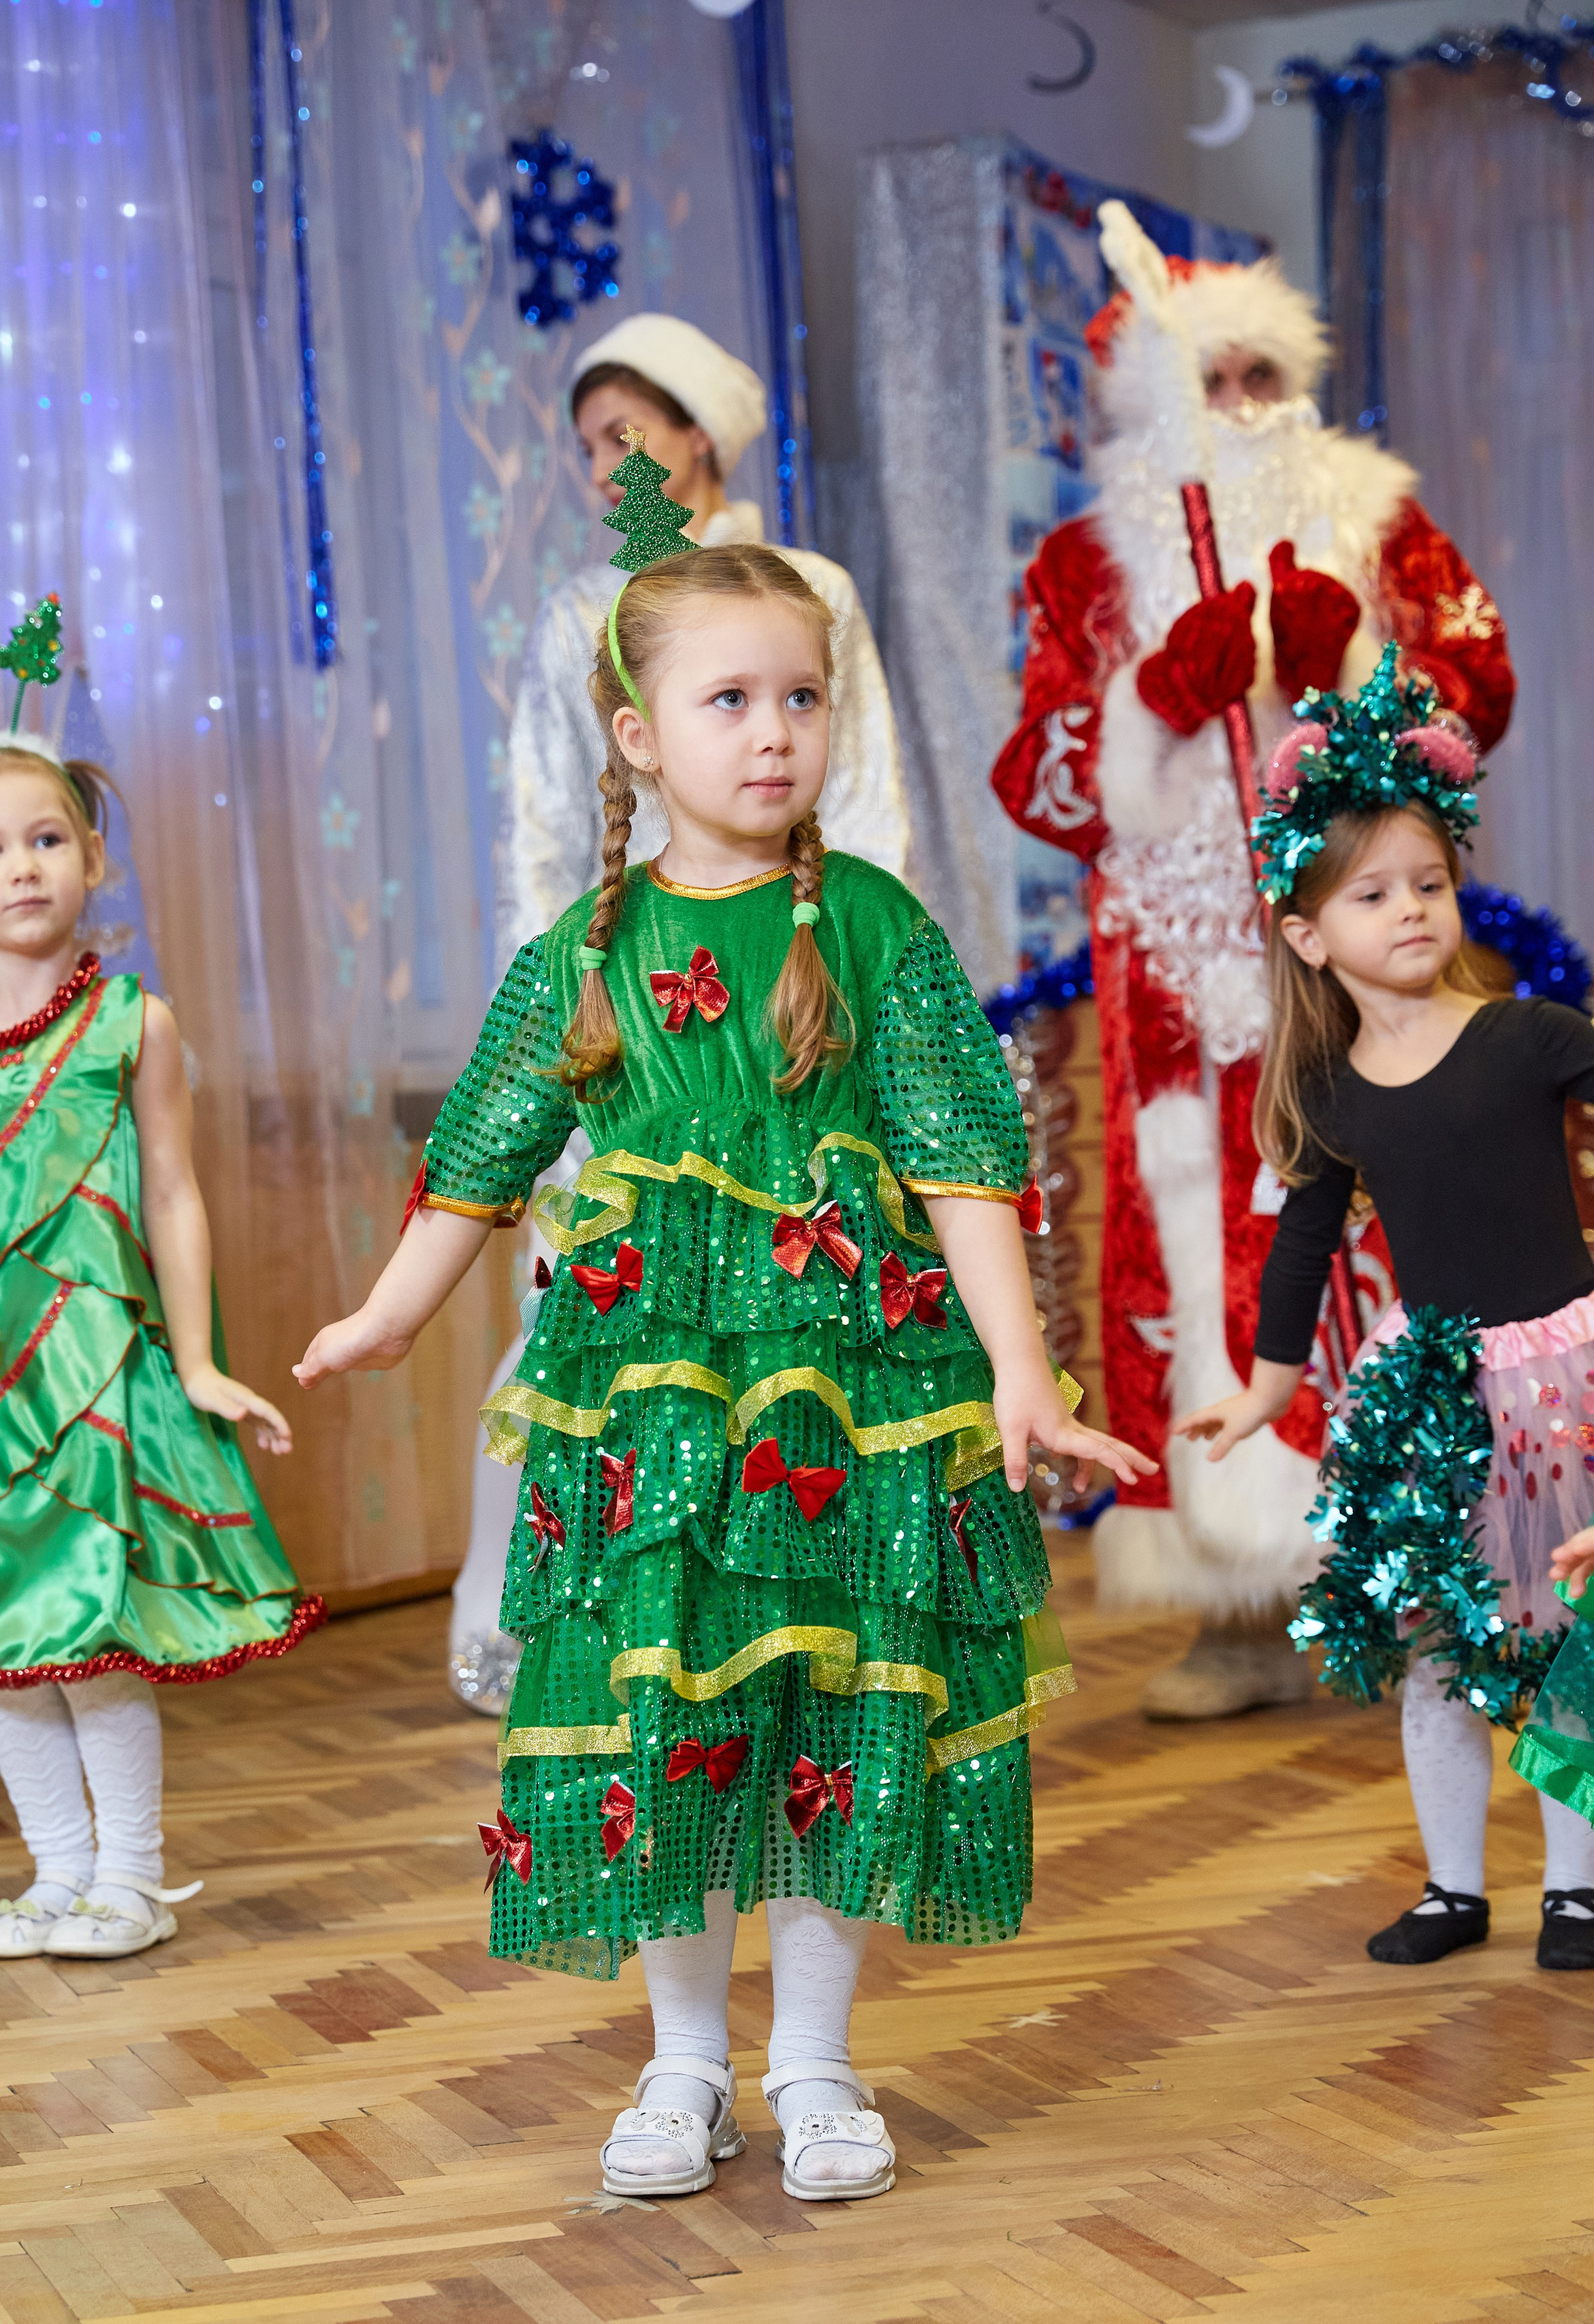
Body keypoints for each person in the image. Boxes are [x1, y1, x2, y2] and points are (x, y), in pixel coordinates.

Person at [298, 486, 1151, 2201]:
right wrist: (388, 1313)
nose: (773, 732)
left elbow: (964, 1164)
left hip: (858, 1396)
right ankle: (682, 2064)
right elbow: (478, 1157)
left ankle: (818, 2065)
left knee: (833, 1712)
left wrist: (1014, 1371)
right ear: (636, 732)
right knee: (664, 1724)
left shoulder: (878, 931)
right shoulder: (585, 952)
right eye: (729, 698)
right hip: (649, 1422)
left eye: (800, 696)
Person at [990, 217, 1516, 1720]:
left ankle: (1420, 1581)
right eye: (1203, 374)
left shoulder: (1376, 518)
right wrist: (1152, 698)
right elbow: (1037, 773)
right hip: (1181, 988)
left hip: (1370, 968)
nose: (1235, 399)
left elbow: (1475, 700)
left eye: (1256, 372)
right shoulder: (1082, 564)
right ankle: (1235, 1607)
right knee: (1198, 1253)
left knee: (1393, 1243)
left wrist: (1357, 670)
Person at [453, 314, 910, 1715]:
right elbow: (542, 822)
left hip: (787, 988)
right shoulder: (571, 618)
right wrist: (572, 1016)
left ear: (697, 435)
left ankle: (810, 1594)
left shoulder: (804, 586)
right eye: (587, 440)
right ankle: (587, 1594)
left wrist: (859, 995)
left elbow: (874, 793)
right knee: (594, 1312)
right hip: (632, 1010)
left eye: (627, 432)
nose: (605, 460)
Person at [0, 658, 323, 1962]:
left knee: (92, 1631)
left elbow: (172, 1194)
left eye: (48, 839)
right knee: (3, 1637)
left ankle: (133, 1875)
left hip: (94, 1372)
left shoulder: (133, 1023)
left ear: (93, 856)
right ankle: (57, 1871)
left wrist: (201, 1360)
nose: (24, 867)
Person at [1177, 648, 1594, 1971]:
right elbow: (1301, 1238)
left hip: (1562, 1370)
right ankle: (1454, 1883)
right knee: (1438, 1638)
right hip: (1433, 1390)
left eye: (1427, 883)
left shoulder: (1529, 1035)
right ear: (1309, 932)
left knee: (1556, 1630)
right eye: (1371, 892)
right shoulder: (1332, 1092)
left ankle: (1575, 1889)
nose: (1410, 909)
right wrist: (1265, 1384)